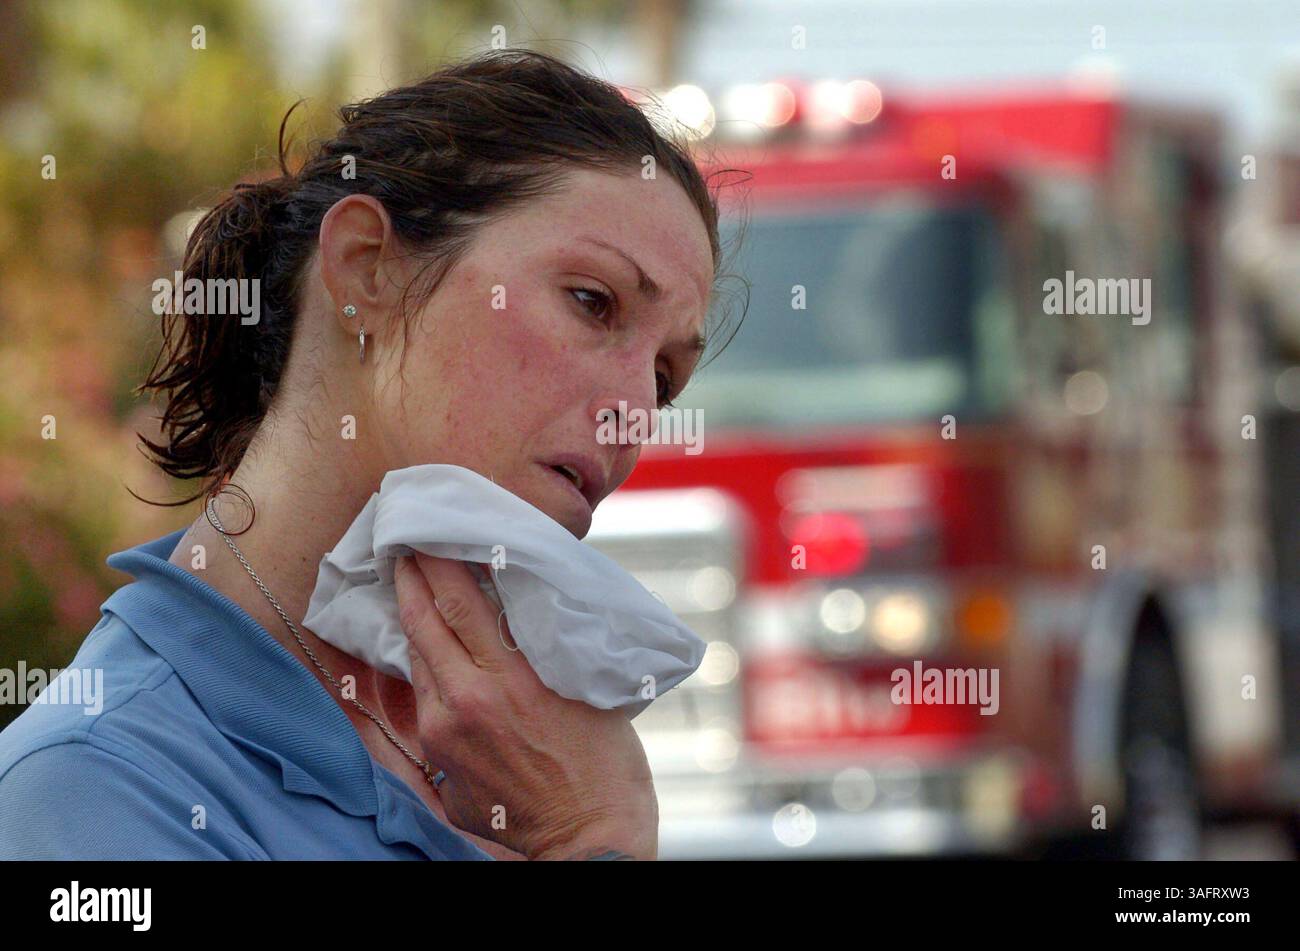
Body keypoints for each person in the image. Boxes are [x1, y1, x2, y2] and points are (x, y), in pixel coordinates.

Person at [0, 48, 736, 860]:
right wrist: (590, 837)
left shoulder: (516, 745)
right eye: (593, 302)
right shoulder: (94, 787)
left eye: (664, 379)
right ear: (365, 268)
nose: (634, 413)